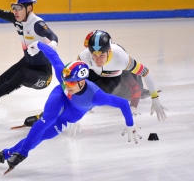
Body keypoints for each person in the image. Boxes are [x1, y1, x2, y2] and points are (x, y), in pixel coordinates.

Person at [0, 41, 141, 174]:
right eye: (65, 81)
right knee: (47, 119)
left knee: (45, 135)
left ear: (81, 82)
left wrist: (130, 124)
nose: (67, 85)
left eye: (71, 83)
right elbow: (53, 56)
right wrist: (37, 44)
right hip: (59, 97)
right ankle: (23, 152)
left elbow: (121, 103)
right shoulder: (65, 84)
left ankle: (6, 153)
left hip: (74, 113)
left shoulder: (96, 96)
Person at [24, 30, 166, 127]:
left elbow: (146, 72)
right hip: (91, 73)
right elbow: (69, 80)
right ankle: (45, 115)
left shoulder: (122, 58)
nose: (98, 59)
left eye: (101, 55)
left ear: (109, 51)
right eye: (94, 55)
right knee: (74, 89)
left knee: (91, 98)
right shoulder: (84, 56)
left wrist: (155, 98)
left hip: (111, 78)